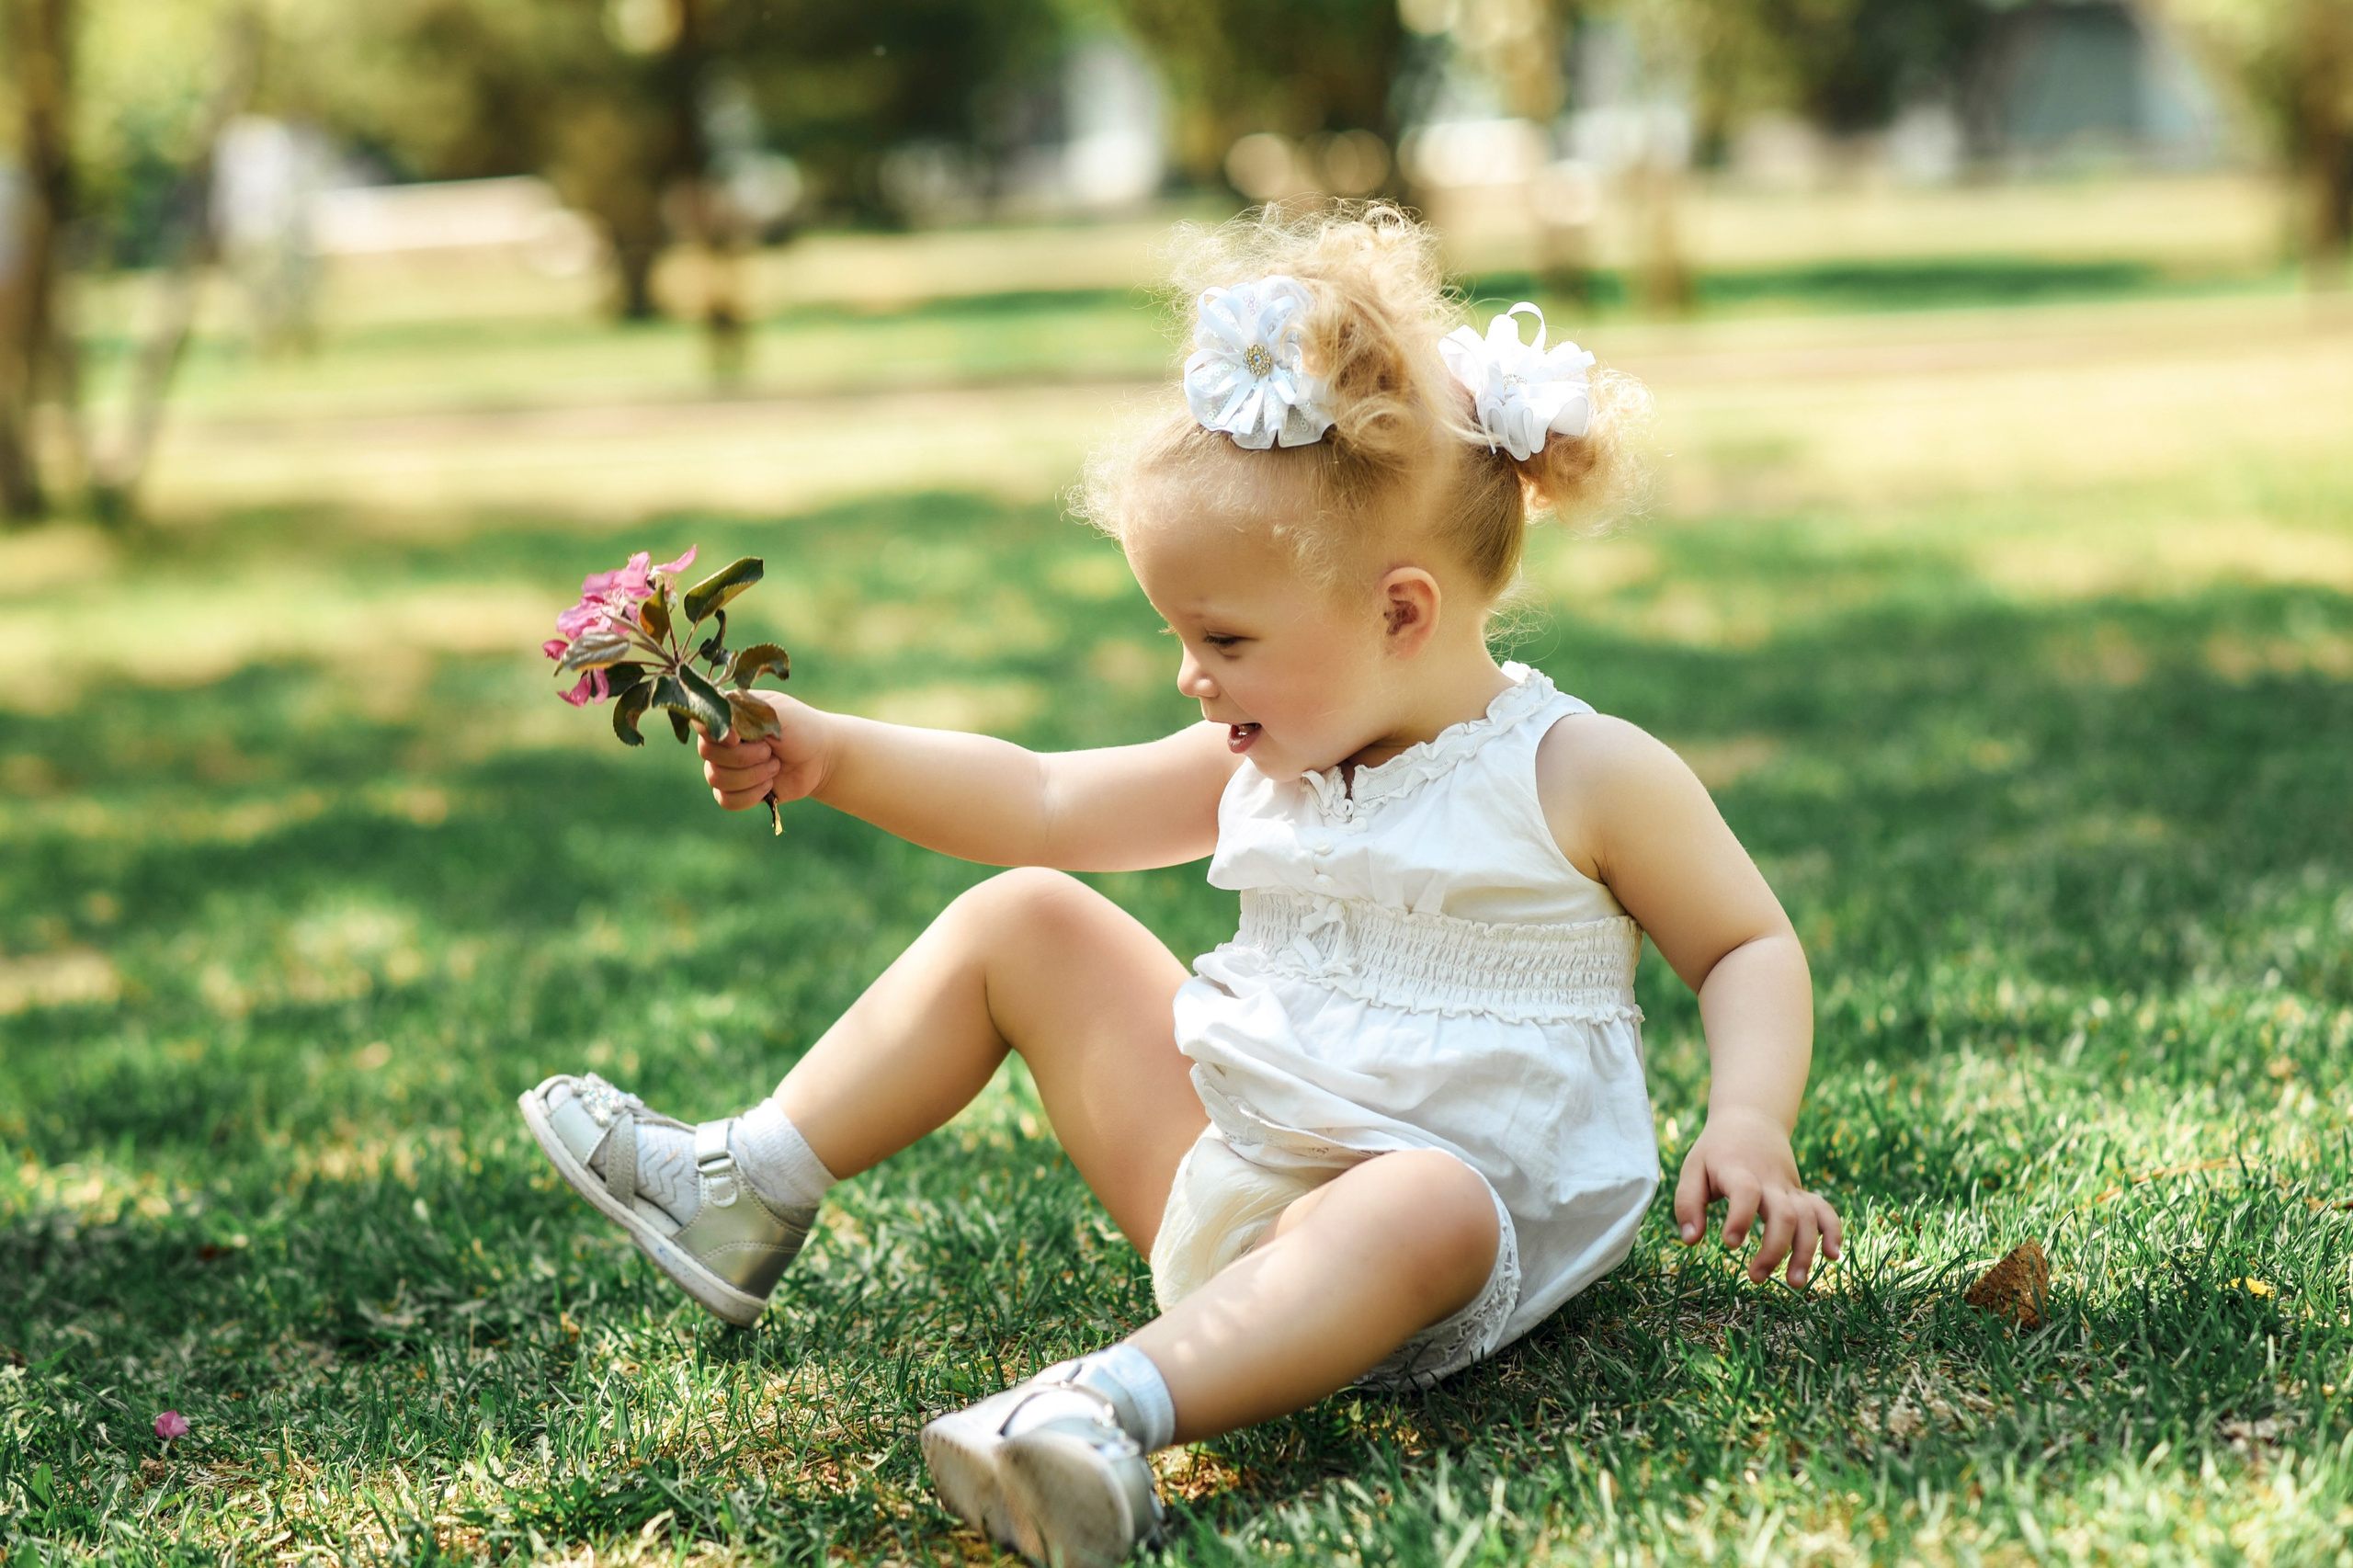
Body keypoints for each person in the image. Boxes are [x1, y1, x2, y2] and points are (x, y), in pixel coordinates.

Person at [518, 204, 1842, 1567]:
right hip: (1233, 1174)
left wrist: (1748, 1117)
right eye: (1178, 632)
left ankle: (1100, 1408)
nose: (1190, 676)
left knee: (1421, 1196)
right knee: (1023, 917)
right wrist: (833, 753)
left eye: (1224, 637)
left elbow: (1744, 942)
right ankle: (748, 1179)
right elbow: (1041, 799)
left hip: (1442, 1239)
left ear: (1401, 612)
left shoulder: (1580, 771)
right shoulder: (1259, 752)